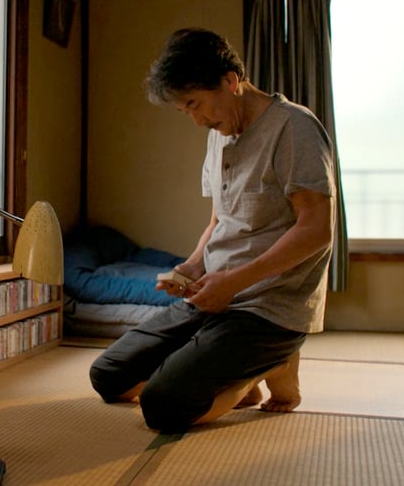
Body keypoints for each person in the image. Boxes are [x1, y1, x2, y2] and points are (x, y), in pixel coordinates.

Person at [89, 27, 336, 434]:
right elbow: (218, 222)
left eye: (195, 104)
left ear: (230, 81)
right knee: (109, 375)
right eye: (185, 111)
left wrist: (233, 282)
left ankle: (267, 365)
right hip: (213, 298)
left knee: (164, 407)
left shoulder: (294, 128)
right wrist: (190, 268)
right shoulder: (219, 135)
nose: (196, 120)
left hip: (267, 307)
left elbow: (315, 231)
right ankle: (230, 368)